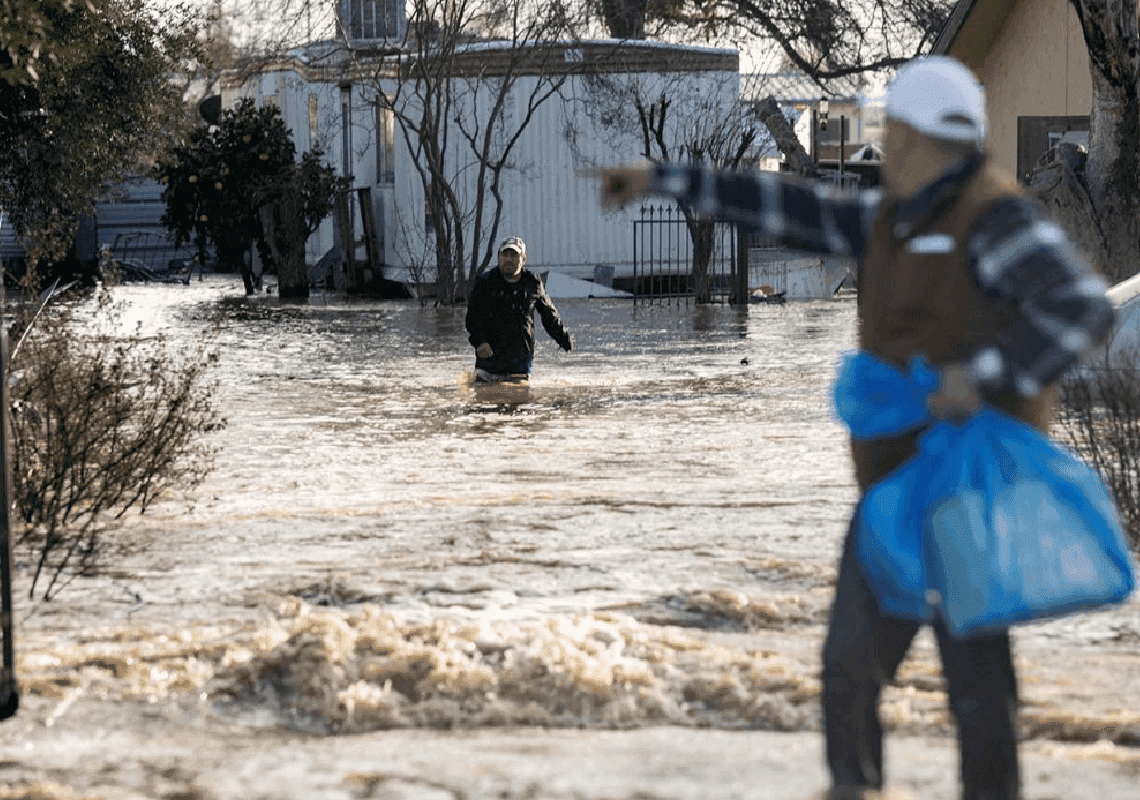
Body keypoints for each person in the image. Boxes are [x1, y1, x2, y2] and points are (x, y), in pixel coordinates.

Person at [597, 55, 1116, 800]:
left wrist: (986, 374)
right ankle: (852, 788)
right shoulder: (884, 220)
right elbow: (781, 205)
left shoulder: (997, 220)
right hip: (892, 489)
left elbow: (1082, 309)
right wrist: (661, 178)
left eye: (895, 132)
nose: (887, 147)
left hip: (967, 491)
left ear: (927, 138)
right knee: (849, 665)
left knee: (977, 689)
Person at [465, 236, 573, 382]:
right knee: (483, 395)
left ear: (523, 259)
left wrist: (564, 340)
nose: (508, 259)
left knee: (520, 396)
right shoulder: (485, 282)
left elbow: (549, 316)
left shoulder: (533, 283)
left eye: (514, 255)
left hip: (520, 361)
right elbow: (472, 318)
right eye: (504, 255)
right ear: (498, 258)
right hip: (489, 361)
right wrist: (480, 342)